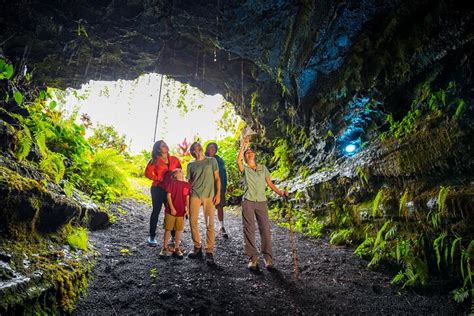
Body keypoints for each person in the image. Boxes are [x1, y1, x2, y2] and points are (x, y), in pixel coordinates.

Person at [236, 135, 288, 271]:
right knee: (249, 229)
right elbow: (238, 161)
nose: (249, 153)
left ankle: (268, 258)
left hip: (261, 201)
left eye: (250, 151)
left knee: (265, 229)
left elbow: (270, 183)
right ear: (245, 157)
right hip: (248, 201)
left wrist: (281, 193)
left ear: (254, 154)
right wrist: (243, 145)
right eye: (247, 153)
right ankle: (253, 259)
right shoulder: (245, 169)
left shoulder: (263, 168)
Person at [186, 142, 221, 266]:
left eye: (199, 145)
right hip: (195, 196)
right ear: (193, 151)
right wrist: (186, 201)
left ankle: (209, 251)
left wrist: (218, 194)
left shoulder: (211, 161)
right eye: (196, 146)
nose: (199, 147)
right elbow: (189, 183)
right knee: (192, 221)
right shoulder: (190, 165)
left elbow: (217, 179)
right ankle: (197, 246)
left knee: (209, 224)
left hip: (208, 196)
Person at [144, 140, 182, 247]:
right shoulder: (154, 160)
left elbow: (179, 171)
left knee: (171, 211)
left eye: (166, 144)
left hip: (171, 189)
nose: (166, 146)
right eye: (162, 145)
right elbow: (147, 173)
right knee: (156, 211)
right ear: (158, 149)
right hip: (158, 188)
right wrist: (158, 178)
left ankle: (173, 236)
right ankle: (152, 236)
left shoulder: (174, 159)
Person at [159, 169, 190, 260]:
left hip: (181, 212)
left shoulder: (187, 185)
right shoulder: (172, 183)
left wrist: (187, 209)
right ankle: (164, 247)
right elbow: (168, 196)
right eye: (178, 171)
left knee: (178, 230)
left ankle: (177, 248)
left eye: (181, 171)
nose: (180, 172)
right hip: (171, 211)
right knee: (168, 229)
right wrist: (172, 208)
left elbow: (187, 198)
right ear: (174, 175)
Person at [205, 142, 229, 239]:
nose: (212, 149)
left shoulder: (219, 160)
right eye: (210, 147)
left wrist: (224, 187)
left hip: (219, 187)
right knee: (209, 208)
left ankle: (222, 226)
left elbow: (223, 174)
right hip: (208, 188)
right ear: (207, 149)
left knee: (220, 207)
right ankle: (209, 228)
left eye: (214, 148)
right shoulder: (204, 159)